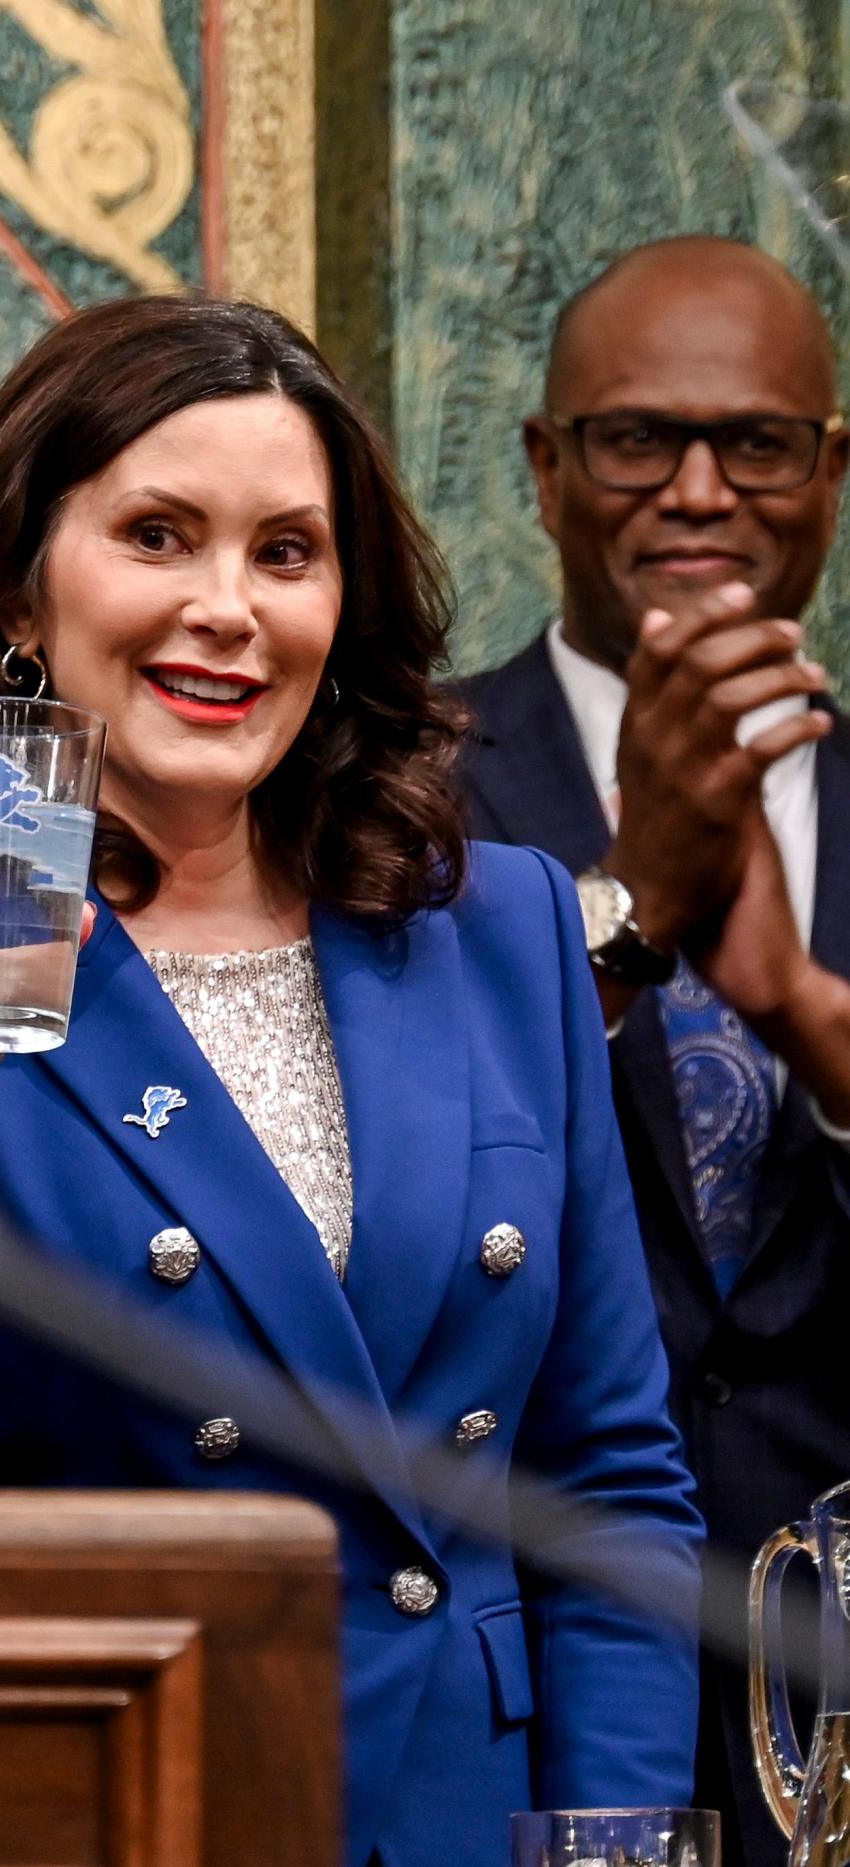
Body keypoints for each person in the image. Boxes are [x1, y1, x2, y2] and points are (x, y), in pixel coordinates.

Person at [0, 295, 702, 1867]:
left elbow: (608, 1481)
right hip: (108, 1811)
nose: (227, 607)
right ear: (24, 595)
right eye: (157, 535)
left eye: (284, 552)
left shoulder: (496, 926)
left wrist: (621, 1840)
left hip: (468, 1820)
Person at [455, 235, 850, 1867]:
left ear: (829, 473)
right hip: (521, 1644)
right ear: (547, 472)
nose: (695, 490)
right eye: (635, 440)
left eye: (751, 443)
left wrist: (800, 1012)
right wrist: (632, 917)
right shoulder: (383, 792)